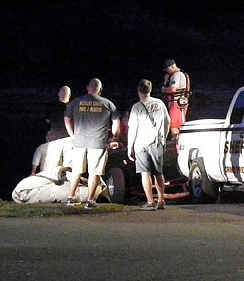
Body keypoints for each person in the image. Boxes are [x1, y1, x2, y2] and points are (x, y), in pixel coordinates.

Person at [64, 78, 120, 208]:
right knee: (94, 172)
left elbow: (67, 118)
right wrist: (114, 137)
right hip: (98, 142)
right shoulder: (108, 104)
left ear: (87, 87)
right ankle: (90, 201)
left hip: (79, 142)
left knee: (76, 171)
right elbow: (116, 123)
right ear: (100, 89)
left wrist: (71, 134)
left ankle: (70, 198)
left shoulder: (76, 102)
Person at [127, 79, 171, 211]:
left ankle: (151, 202)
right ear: (150, 89)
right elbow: (167, 122)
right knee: (158, 172)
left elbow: (133, 129)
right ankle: (161, 200)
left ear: (138, 91)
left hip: (141, 143)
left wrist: (130, 147)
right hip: (157, 141)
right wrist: (163, 138)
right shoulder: (159, 103)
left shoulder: (136, 107)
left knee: (145, 173)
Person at [45, 85, 73, 168]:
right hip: (68, 138)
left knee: (53, 164)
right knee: (67, 164)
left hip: (54, 138)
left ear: (58, 94)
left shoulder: (51, 107)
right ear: (69, 96)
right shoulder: (72, 108)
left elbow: (47, 121)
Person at [160, 59, 189, 138]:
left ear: (170, 68)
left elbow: (173, 89)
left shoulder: (176, 75)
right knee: (179, 124)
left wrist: (163, 89)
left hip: (176, 103)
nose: (167, 72)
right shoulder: (182, 73)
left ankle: (177, 142)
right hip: (181, 102)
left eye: (167, 70)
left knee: (173, 125)